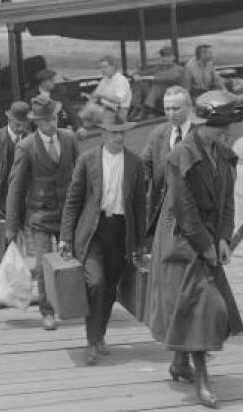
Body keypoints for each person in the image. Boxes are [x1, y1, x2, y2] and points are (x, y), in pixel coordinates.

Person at [144, 90, 243, 408]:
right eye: (221, 126)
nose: (226, 131)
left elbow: (228, 201)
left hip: (208, 239)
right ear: (204, 125)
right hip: (180, 242)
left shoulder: (224, 154)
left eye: (228, 126)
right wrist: (205, 246)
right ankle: (202, 380)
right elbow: (184, 209)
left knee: (189, 308)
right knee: (203, 308)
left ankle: (179, 363)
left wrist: (224, 238)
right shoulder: (180, 157)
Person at [60, 116, 146, 365]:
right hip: (92, 232)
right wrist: (65, 236)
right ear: (103, 134)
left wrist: (140, 241)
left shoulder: (135, 163)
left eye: (122, 133)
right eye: (113, 133)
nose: (118, 138)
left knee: (110, 288)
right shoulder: (87, 160)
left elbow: (140, 205)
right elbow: (73, 200)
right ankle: (92, 341)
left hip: (121, 232)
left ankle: (99, 336)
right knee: (95, 282)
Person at [6, 95, 80, 331]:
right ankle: (47, 311)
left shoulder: (69, 139)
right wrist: (12, 225)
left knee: (71, 260)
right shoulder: (26, 146)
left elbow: (80, 177)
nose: (52, 123)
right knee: (42, 264)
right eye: (47, 120)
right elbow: (15, 187)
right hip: (39, 215)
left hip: (67, 214)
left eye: (55, 118)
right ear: (37, 122)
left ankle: (70, 305)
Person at [141, 85, 193, 239]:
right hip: (160, 210)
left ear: (189, 107)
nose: (171, 113)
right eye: (167, 109)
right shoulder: (158, 133)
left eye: (176, 108)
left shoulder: (200, 135)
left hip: (191, 212)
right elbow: (145, 165)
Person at [130, 46, 188, 120]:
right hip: (157, 98)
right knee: (138, 83)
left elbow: (170, 78)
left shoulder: (179, 69)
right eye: (163, 57)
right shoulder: (158, 68)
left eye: (168, 56)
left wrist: (152, 78)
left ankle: (146, 110)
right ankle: (136, 108)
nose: (165, 59)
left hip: (173, 96)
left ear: (173, 57)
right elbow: (142, 73)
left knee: (158, 86)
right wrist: (135, 75)